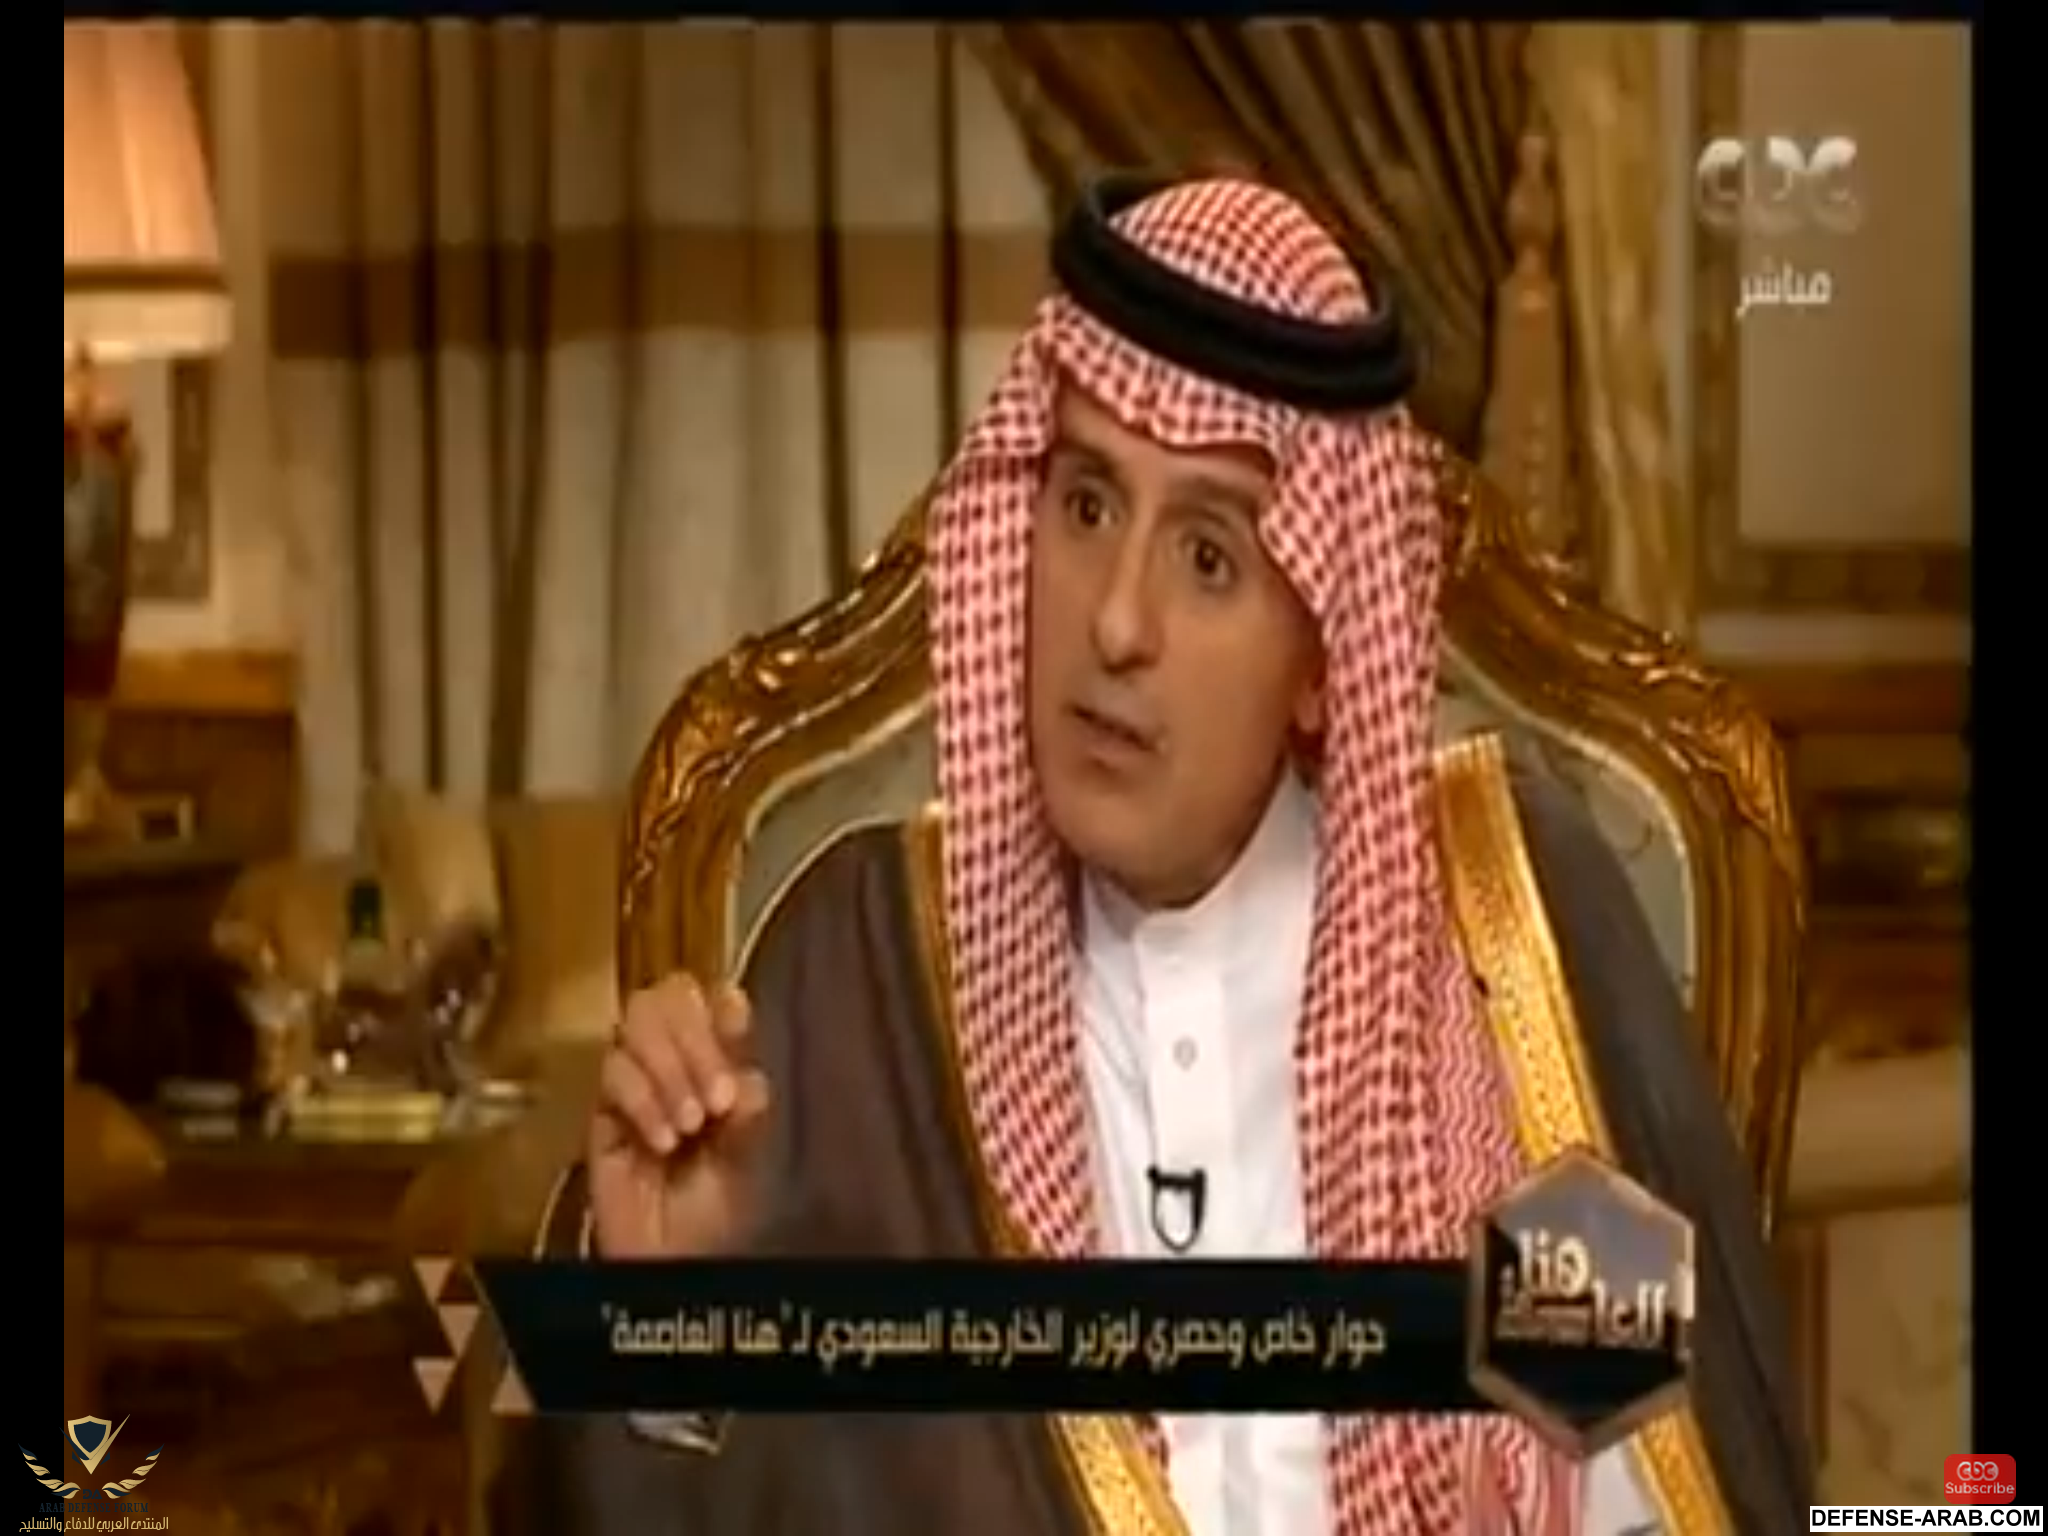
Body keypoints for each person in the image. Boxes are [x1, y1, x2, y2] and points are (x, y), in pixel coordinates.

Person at [498, 176, 1812, 1535]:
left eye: (1208, 557)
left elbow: (1660, 1485)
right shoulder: (863, 974)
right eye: (1084, 508)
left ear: (1326, 652)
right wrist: (656, 1317)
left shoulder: (1502, 955)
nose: (1117, 623)